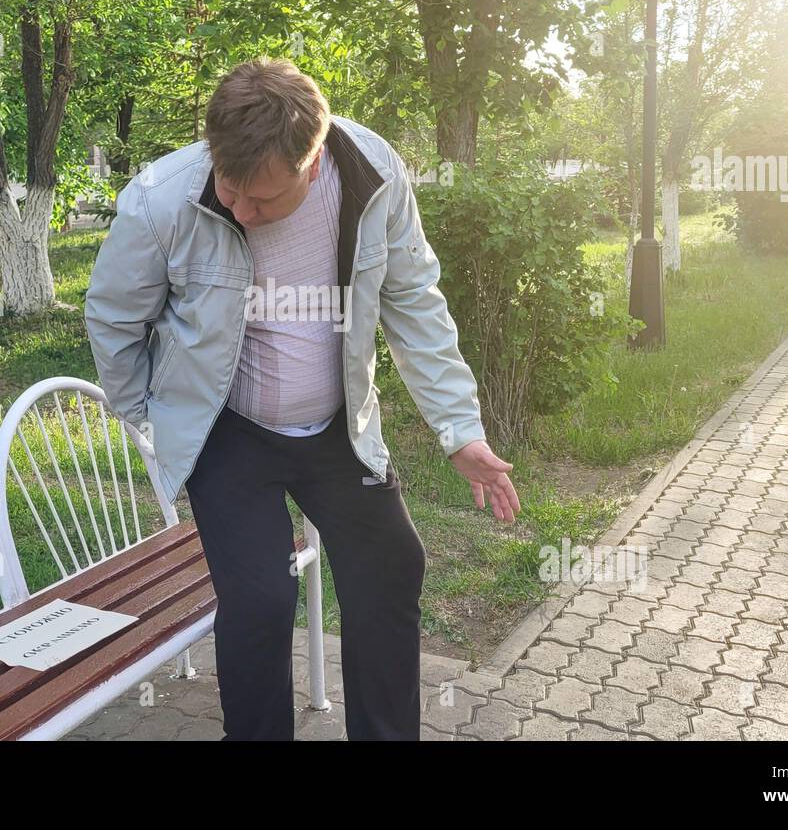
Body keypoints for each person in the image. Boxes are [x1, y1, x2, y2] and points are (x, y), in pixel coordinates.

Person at [84, 57, 520, 740]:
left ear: (312, 164)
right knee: (260, 598)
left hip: (337, 430)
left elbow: (414, 304)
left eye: (260, 200)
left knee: (392, 565)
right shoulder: (160, 199)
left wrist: (459, 429)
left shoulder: (374, 176)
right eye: (228, 187)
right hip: (227, 432)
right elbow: (113, 317)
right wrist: (154, 416)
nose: (237, 208)